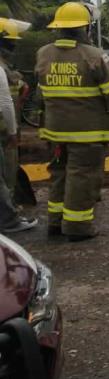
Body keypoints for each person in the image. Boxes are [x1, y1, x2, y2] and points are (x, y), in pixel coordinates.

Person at [36, 2, 109, 241]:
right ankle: (77, 228)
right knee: (83, 177)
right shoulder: (94, 56)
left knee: (59, 174)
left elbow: (41, 94)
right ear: (86, 28)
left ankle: (55, 222)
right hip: (88, 133)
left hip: (54, 131)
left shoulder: (43, 54)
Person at [0, 20, 35, 233]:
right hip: (4, 131)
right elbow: (5, 103)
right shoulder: (1, 69)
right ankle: (9, 219)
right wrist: (13, 132)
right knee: (5, 177)